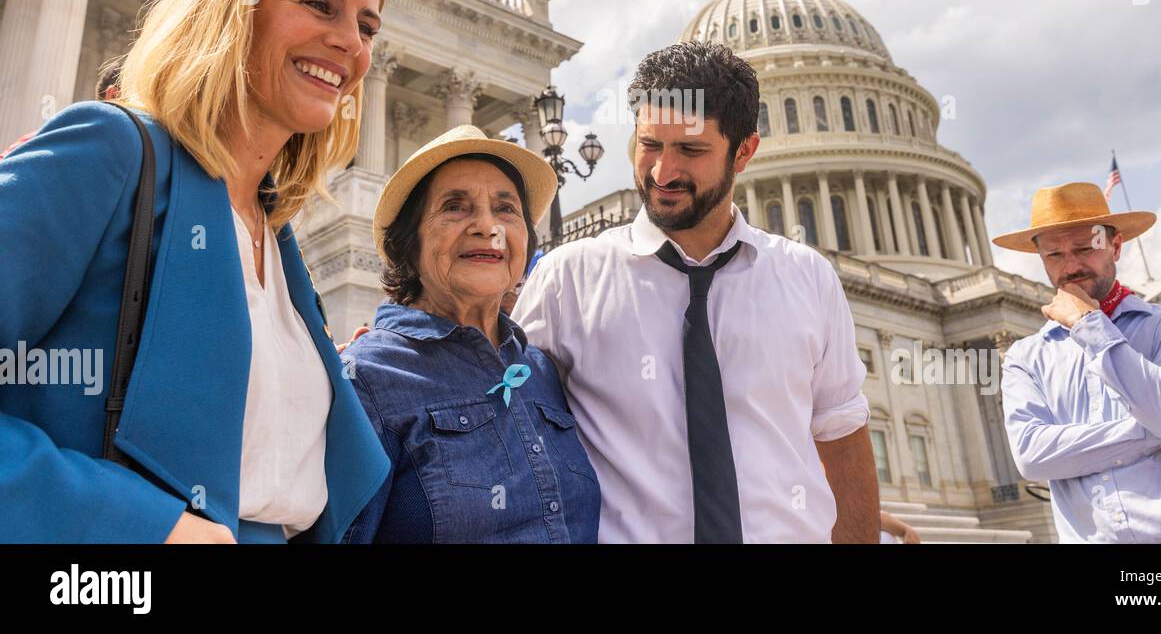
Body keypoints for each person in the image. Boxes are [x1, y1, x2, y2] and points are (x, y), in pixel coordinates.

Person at [0, 0, 390, 543]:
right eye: (321, 4)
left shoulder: (276, 239)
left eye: (368, 26)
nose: (351, 41)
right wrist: (145, 527)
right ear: (234, 8)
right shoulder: (111, 151)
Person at [513, 41, 879, 543]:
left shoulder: (808, 278)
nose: (663, 173)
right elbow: (510, 427)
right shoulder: (565, 281)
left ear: (744, 151)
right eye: (650, 145)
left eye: (690, 149)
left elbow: (841, 432)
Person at [342, 125, 600, 543]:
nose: (487, 226)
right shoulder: (367, 378)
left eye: (506, 210)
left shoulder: (541, 370)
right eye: (455, 207)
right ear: (410, 244)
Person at [994, 182, 1161, 543]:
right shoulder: (1026, 357)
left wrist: (1090, 326)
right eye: (1054, 255)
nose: (1071, 265)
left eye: (1085, 248)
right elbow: (1033, 457)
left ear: (1115, 246)